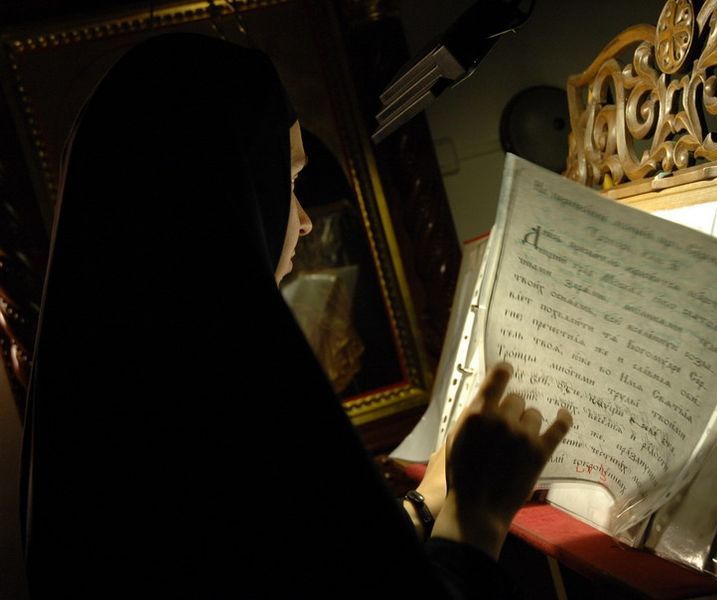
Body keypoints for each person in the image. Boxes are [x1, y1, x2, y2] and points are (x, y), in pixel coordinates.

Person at [20, 33, 570, 598]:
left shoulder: (116, 383)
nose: (304, 221)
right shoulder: (213, 405)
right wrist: (477, 518)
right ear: (220, 197)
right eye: (287, 181)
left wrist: (426, 500)